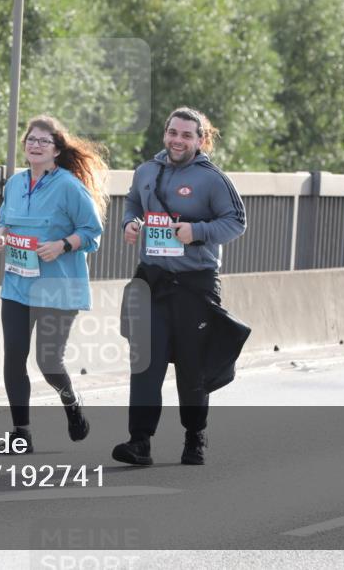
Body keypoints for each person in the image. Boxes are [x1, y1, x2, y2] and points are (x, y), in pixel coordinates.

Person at [113, 107, 249, 466]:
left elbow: (236, 222)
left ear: (201, 140)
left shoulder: (213, 179)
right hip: (152, 281)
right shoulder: (146, 170)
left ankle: (194, 436)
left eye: (187, 135)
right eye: (173, 132)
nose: (178, 140)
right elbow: (132, 203)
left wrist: (197, 232)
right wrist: (130, 222)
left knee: (191, 369)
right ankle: (139, 441)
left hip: (195, 285)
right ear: (165, 134)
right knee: (145, 364)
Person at [0, 115, 107, 453]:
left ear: (56, 150)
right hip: (17, 284)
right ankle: (21, 432)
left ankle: (71, 402)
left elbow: (92, 232)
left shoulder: (69, 186)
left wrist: (62, 245)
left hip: (58, 286)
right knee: (14, 357)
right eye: (31, 140)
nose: (35, 145)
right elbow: (4, 223)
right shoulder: (14, 184)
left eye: (43, 141)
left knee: (48, 363)